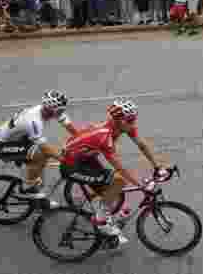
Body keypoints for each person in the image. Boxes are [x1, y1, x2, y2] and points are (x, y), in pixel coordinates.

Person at [59, 99, 164, 246]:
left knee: (110, 190)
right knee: (119, 181)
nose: (133, 123)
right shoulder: (104, 136)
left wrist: (158, 167)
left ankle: (102, 214)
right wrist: (141, 186)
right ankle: (101, 220)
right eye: (131, 120)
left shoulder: (124, 126)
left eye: (134, 119)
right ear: (119, 121)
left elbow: (142, 144)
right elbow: (120, 168)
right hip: (72, 166)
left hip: (86, 159)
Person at [0, 91, 79, 207]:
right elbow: (46, 149)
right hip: (2, 145)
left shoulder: (49, 110)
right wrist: (65, 159)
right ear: (50, 110)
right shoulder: (34, 121)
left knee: (40, 166)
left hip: (19, 139)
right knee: (41, 155)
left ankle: (38, 199)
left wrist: (81, 138)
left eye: (62, 110)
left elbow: (68, 125)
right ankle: (27, 188)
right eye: (59, 111)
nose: (61, 113)